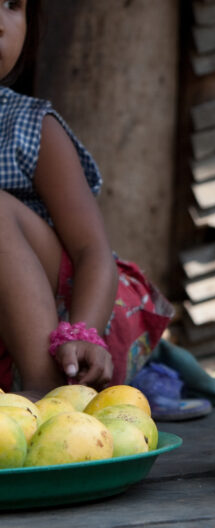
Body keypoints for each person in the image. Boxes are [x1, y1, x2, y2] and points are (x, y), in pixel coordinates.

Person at [0, 0, 173, 396]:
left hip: (81, 339)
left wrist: (83, 333)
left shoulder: (29, 130)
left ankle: (47, 395)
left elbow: (93, 252)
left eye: (12, 4)